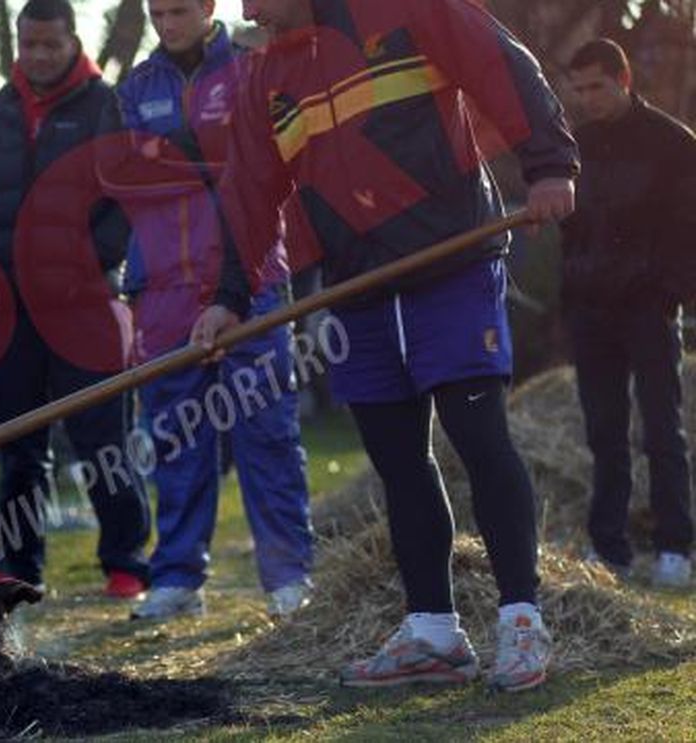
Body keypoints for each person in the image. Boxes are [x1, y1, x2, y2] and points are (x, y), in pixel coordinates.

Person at [193, 0, 578, 691]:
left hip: (451, 265)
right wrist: (227, 296)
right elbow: (248, 191)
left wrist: (548, 164)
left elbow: (503, 66)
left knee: (478, 436)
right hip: (357, 289)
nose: (244, 6)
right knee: (398, 461)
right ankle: (434, 629)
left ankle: (522, 618)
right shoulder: (261, 79)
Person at [99, 0, 313, 621]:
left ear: (210, 6)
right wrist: (209, 153)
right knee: (174, 436)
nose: (169, 23)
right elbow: (126, 176)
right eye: (158, 13)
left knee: (267, 432)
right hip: (162, 286)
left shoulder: (253, 69)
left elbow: (268, 163)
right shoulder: (134, 88)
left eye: (181, 10)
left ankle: (288, 577)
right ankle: (176, 578)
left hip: (253, 275)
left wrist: (180, 153)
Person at [0, 0, 152, 598]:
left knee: (102, 440)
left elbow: (127, 203)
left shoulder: (106, 106)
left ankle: (125, 563)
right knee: (19, 443)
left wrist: (87, 266)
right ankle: (17, 564)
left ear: (74, 41)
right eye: (29, 45)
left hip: (85, 306)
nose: (38, 57)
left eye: (50, 45)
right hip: (9, 308)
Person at [563, 39, 695, 589]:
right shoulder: (575, 145)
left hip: (649, 305)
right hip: (591, 307)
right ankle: (609, 547)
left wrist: (668, 293)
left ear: (624, 79)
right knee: (604, 432)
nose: (588, 98)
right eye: (579, 90)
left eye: (597, 86)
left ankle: (675, 547)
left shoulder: (674, 143)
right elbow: (569, 228)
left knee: (663, 429)